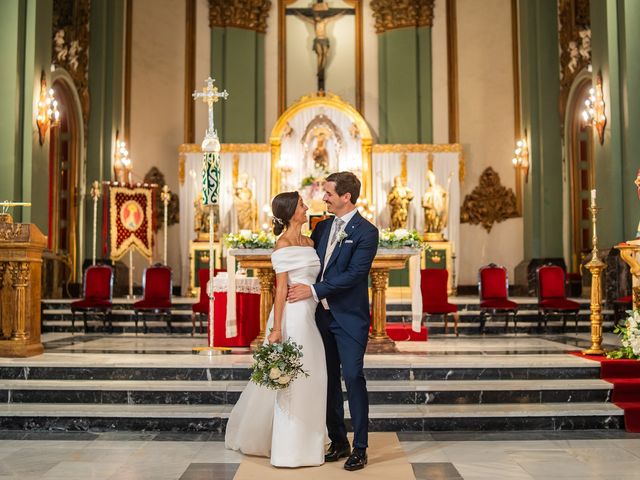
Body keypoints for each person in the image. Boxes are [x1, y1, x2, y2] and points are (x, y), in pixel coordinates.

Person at [225, 191, 327, 468]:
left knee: (313, 378)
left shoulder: (310, 241)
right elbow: (280, 289)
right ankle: (289, 450)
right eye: (302, 204)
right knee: (291, 381)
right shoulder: (281, 246)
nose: (307, 207)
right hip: (292, 319)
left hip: (311, 317)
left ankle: (311, 444)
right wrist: (276, 329)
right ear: (292, 211)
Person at [288, 171, 379, 471]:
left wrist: (313, 290)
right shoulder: (323, 227)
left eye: (328, 192)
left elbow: (354, 275)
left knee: (353, 378)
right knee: (326, 380)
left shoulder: (367, 232)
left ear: (346, 197)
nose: (323, 197)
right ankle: (339, 441)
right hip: (320, 317)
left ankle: (361, 447)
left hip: (350, 319)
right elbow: (313, 264)